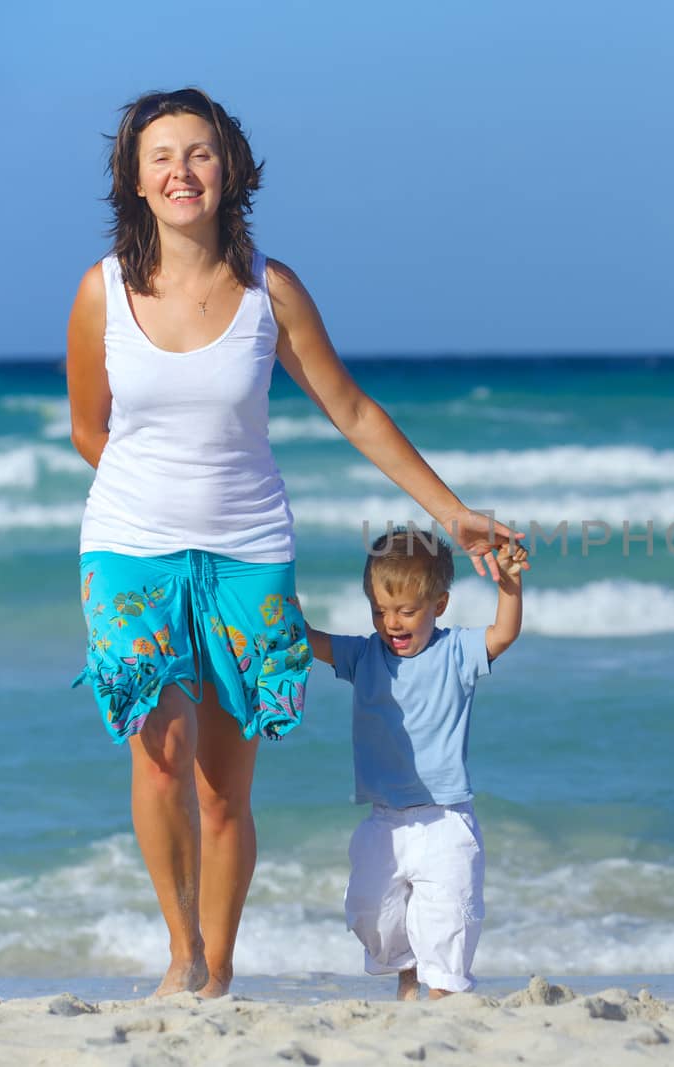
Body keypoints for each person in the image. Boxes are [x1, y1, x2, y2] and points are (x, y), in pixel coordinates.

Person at [65, 88, 521, 999]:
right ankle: (180, 950)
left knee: (224, 786)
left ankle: (220, 966)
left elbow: (351, 409)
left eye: (199, 152)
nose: (181, 170)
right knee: (157, 749)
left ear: (227, 167)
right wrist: (151, 504)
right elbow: (90, 429)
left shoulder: (270, 291)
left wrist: (454, 509)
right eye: (161, 156)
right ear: (136, 178)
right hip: (131, 549)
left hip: (248, 552)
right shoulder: (102, 291)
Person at [308, 526, 527, 1000]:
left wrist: (509, 583)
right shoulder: (363, 656)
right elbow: (306, 639)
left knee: (447, 920)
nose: (392, 623)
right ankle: (407, 979)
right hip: (382, 823)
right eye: (380, 610)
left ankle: (442, 1000)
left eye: (407, 611)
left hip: (445, 818)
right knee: (371, 913)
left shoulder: (456, 652)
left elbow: (504, 634)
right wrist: (266, 595)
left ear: (439, 605)